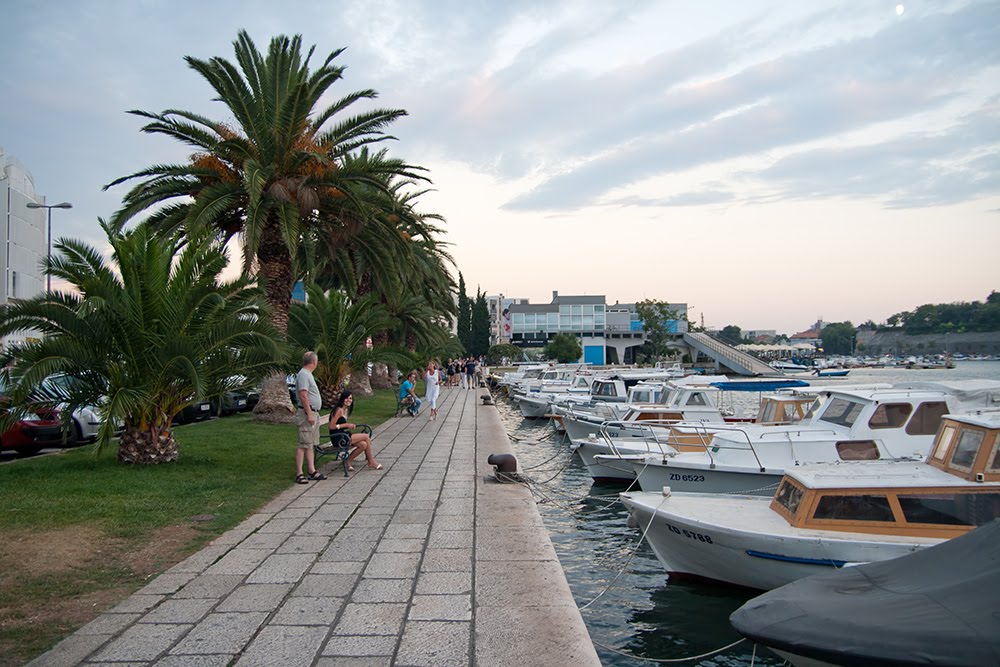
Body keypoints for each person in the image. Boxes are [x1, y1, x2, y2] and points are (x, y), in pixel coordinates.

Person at [294, 351, 327, 484]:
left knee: (310, 444)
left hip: (314, 412)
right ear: (314, 362)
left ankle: (312, 470)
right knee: (303, 443)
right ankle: (299, 473)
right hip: (307, 414)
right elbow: (303, 395)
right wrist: (309, 413)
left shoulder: (308, 375)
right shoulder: (303, 375)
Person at [331, 390, 383, 470]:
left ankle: (348, 461)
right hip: (338, 438)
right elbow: (332, 426)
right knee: (366, 436)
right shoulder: (339, 410)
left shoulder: (345, 410)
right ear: (342, 399)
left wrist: (348, 426)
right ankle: (371, 461)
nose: (349, 400)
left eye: (351, 398)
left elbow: (341, 425)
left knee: (363, 445)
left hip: (343, 435)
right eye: (347, 398)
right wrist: (347, 425)